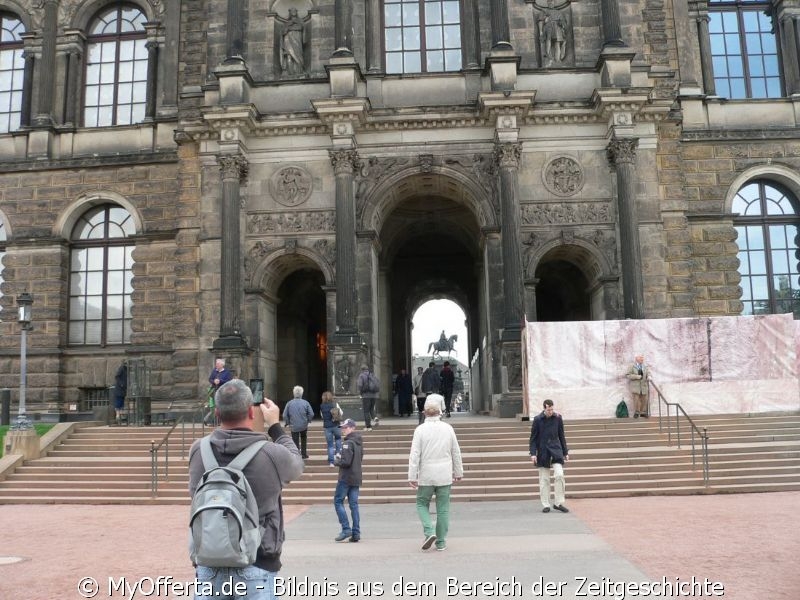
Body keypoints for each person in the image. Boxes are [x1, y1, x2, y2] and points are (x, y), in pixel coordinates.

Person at [188, 379, 304, 599]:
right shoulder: (271, 453)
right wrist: (275, 426)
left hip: (208, 564)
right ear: (252, 412)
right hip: (257, 562)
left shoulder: (198, 450)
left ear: (217, 413)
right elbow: (297, 466)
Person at [407, 394, 463, 552]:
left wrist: (412, 476)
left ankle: (429, 531)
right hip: (444, 474)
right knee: (443, 508)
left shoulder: (420, 430)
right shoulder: (448, 428)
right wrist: (458, 471)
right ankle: (441, 542)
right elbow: (455, 452)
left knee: (421, 503)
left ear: (424, 413)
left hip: (426, 474)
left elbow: (414, 454)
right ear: (440, 413)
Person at [529, 399, 569, 514]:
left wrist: (565, 452)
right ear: (544, 408)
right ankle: (546, 504)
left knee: (559, 475)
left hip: (556, 450)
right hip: (543, 451)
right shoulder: (537, 420)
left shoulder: (558, 418)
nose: (551, 411)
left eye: (552, 409)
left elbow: (562, 436)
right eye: (548, 409)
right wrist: (533, 453)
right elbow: (533, 439)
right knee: (544, 479)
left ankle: (558, 503)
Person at [334, 418, 363, 543]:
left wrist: (337, 461)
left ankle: (346, 529)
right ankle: (356, 532)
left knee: (338, 501)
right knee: (354, 505)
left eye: (346, 427)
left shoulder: (347, 443)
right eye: (343, 428)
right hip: (356, 476)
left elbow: (345, 462)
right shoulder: (359, 442)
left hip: (346, 477)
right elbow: (360, 458)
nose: (343, 430)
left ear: (352, 428)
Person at [283, 385, 314, 459]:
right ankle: (304, 454)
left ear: (293, 393)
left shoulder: (289, 403)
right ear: (302, 394)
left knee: (295, 440)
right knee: (304, 438)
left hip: (294, 426)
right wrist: (308, 420)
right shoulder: (305, 403)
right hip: (303, 425)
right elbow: (311, 414)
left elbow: (284, 415)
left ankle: (297, 455)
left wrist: (288, 422)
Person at [205, 358, 233, 425]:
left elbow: (229, 382)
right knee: (215, 406)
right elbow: (210, 379)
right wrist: (213, 381)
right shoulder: (214, 371)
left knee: (221, 406)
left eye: (217, 364)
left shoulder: (227, 372)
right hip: (214, 391)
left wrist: (220, 381)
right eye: (216, 364)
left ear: (222, 365)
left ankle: (221, 421)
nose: (216, 365)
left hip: (223, 392)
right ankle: (215, 421)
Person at [280, 8, 305, 77]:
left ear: (296, 12)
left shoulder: (300, 21)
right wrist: (287, 27)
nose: (293, 12)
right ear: (290, 13)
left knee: (298, 54)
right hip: (288, 40)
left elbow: (301, 27)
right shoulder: (286, 23)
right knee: (289, 55)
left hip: (297, 39)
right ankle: (290, 72)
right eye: (292, 11)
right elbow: (283, 32)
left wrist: (290, 28)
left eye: (294, 11)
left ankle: (299, 71)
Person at [320, 390, 342, 467]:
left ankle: (331, 462)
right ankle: (338, 452)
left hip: (327, 427)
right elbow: (341, 413)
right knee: (338, 439)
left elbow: (322, 416)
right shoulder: (335, 404)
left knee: (330, 445)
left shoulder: (322, 406)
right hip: (336, 425)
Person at [356, 364, 380, 431]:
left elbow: (360, 385)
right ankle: (374, 417)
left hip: (366, 396)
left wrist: (360, 393)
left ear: (362, 369)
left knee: (366, 411)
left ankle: (368, 426)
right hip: (374, 395)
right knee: (371, 408)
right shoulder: (372, 375)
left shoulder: (361, 375)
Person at [113, 360, 127, 425]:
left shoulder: (126, 369)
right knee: (118, 404)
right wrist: (121, 384)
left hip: (122, 390)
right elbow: (117, 376)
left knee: (121, 404)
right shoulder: (121, 368)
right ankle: (118, 416)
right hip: (119, 390)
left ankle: (120, 417)